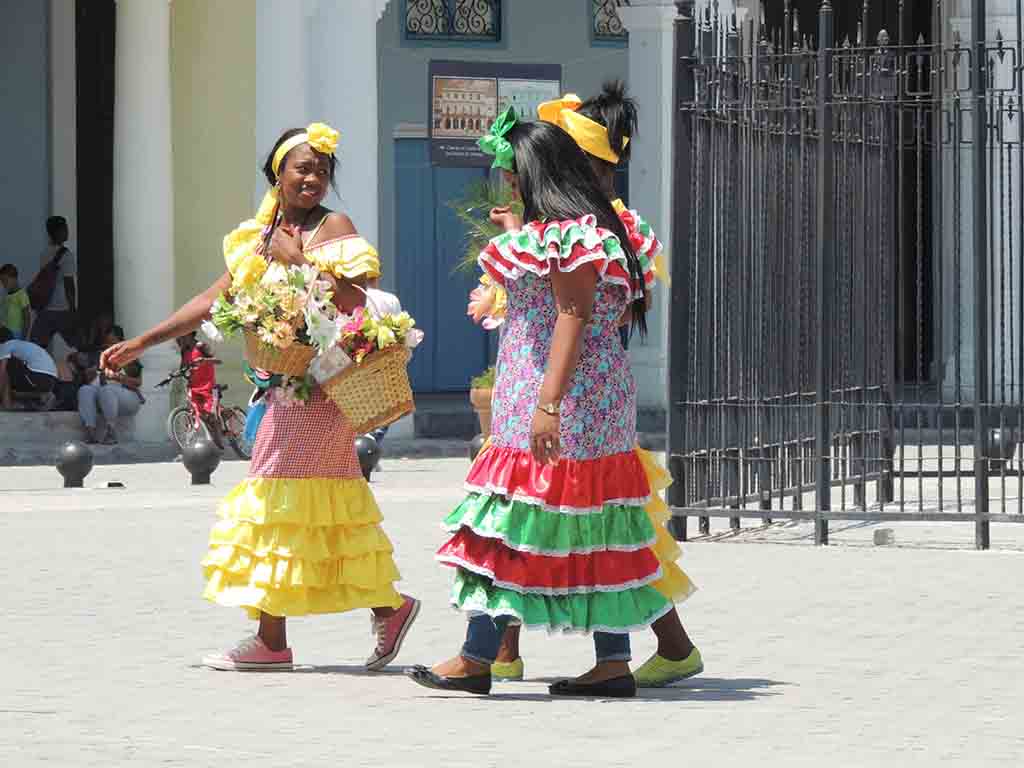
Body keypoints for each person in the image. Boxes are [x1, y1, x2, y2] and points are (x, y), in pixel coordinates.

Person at [101, 122, 420, 672]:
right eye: (303, 167)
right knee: (317, 504)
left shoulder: (331, 227)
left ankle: (278, 638)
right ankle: (380, 608)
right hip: (283, 386)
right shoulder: (258, 234)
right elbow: (212, 298)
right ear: (279, 171)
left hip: (325, 385)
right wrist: (142, 341)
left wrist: (299, 261)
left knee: (276, 495)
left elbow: (355, 299)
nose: (313, 178)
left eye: (322, 170)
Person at [407, 108, 667, 699]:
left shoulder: (573, 236)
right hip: (575, 396)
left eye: (514, 173)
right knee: (591, 526)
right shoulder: (576, 233)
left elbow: (573, 316)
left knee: (509, 524)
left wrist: (547, 404)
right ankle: (611, 662)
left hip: (565, 400)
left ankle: (477, 658)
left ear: (538, 172)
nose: (508, 183)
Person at [482, 83, 704, 689]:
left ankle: (522, 651)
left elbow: (575, 312)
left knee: (578, 523)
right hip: (588, 394)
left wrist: (549, 399)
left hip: (580, 398)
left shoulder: (592, 230)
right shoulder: (598, 225)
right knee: (573, 520)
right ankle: (502, 649)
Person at [77, 325, 144, 444]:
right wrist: (92, 374)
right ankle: (90, 432)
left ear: (120, 341)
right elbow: (92, 381)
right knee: (85, 390)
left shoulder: (128, 357)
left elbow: (137, 383)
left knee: (106, 390)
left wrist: (116, 377)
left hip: (128, 399)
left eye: (113, 343)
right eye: (107, 344)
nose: (110, 347)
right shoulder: (101, 356)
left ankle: (111, 432)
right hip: (104, 397)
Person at [31, 216, 78, 350]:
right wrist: (73, 309)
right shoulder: (67, 255)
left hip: (45, 307)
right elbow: (69, 284)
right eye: (65, 228)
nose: (67, 231)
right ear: (57, 232)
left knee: (38, 347)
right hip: (62, 308)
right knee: (78, 344)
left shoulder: (45, 253)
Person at [175, 332, 221, 445]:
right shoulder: (184, 350)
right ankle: (188, 444)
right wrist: (173, 375)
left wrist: (203, 360)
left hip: (208, 386)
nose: (179, 339)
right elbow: (182, 368)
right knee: (195, 411)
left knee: (211, 415)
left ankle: (218, 443)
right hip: (193, 386)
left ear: (190, 335)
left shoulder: (201, 346)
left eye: (182, 336)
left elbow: (218, 360)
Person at [0, 338, 58, 411]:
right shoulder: (18, 345)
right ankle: (41, 395)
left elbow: (2, 374)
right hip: (51, 380)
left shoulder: (5, 347)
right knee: (11, 387)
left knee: (6, 367)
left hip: (39, 376)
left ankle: (7, 405)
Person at [0, 264, 31, 340]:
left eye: (5, 280)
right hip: (4, 330)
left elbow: (27, 317)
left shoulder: (22, 295)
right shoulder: (5, 295)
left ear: (14, 279)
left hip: (16, 332)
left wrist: (24, 337)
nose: (3, 284)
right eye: (2, 281)